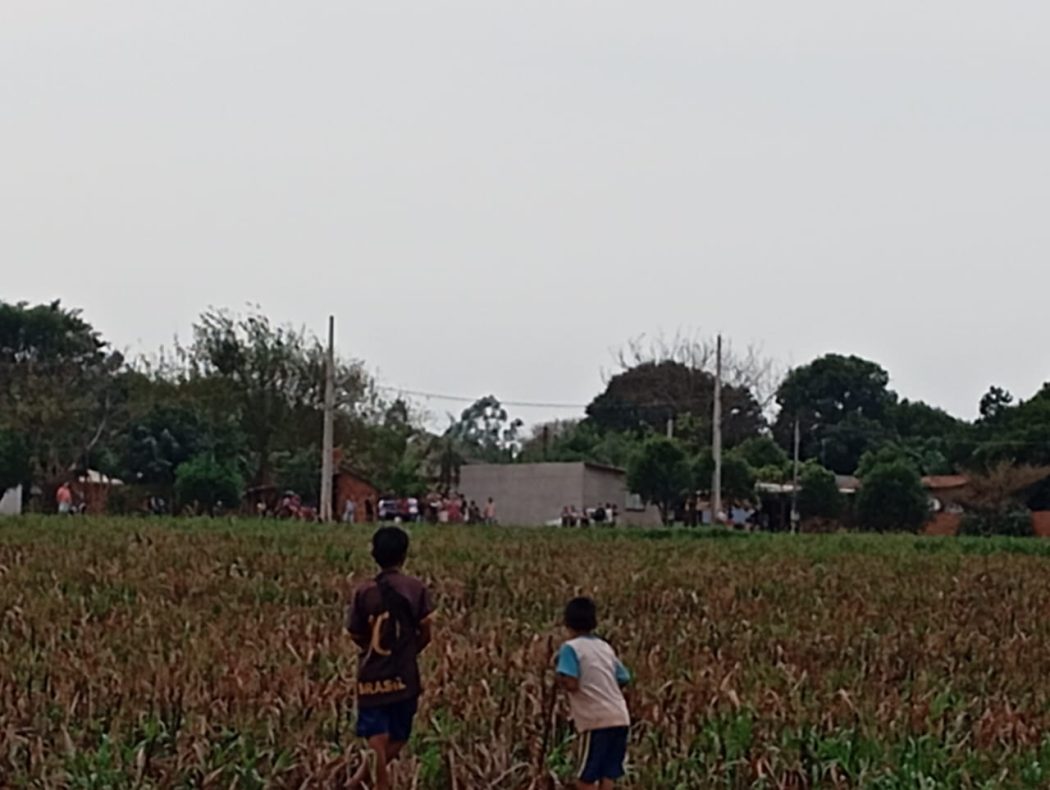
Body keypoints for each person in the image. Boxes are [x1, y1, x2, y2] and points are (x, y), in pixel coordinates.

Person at [345, 527, 434, 789]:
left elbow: (355, 632)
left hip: (371, 673)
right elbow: (426, 632)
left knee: (379, 735)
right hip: (404, 674)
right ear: (405, 555)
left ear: (373, 554)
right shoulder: (415, 589)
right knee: (396, 734)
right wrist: (407, 652)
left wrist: (371, 651)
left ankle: (354, 784)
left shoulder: (363, 592)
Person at [555, 597, 631, 790]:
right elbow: (623, 677)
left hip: (595, 721)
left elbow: (571, 683)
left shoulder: (570, 648)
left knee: (585, 778)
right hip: (620, 717)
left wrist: (559, 677)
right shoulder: (605, 647)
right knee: (607, 774)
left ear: (567, 622)